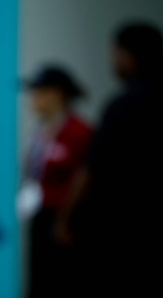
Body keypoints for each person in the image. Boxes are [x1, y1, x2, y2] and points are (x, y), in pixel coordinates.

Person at [58, 23, 163, 296]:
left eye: (115, 53)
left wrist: (65, 219)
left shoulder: (122, 106)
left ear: (128, 56)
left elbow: (90, 170)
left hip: (119, 230)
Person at [21, 66, 93, 298]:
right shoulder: (39, 131)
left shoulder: (79, 132)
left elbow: (85, 179)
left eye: (39, 91)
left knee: (62, 283)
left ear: (57, 94)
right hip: (40, 220)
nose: (33, 98)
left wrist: (65, 221)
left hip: (67, 225)